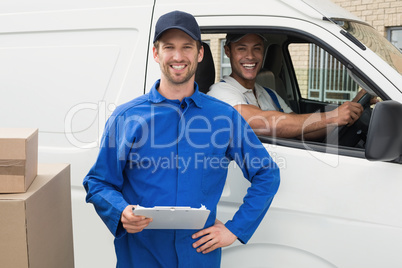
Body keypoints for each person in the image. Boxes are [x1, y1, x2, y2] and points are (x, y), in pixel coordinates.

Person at [83, 11, 280, 268]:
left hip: (199, 256)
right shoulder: (127, 117)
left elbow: (267, 173)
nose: (178, 56)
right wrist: (120, 211)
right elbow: (98, 182)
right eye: (169, 47)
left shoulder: (223, 117)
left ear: (199, 54)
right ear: (156, 53)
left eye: (187, 47)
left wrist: (235, 229)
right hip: (141, 256)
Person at [208, 33, 371, 140]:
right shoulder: (220, 93)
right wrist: (332, 116)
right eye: (241, 49)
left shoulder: (269, 93)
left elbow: (302, 129)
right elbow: (265, 122)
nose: (250, 56)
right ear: (228, 51)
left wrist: (351, 109)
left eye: (256, 48)